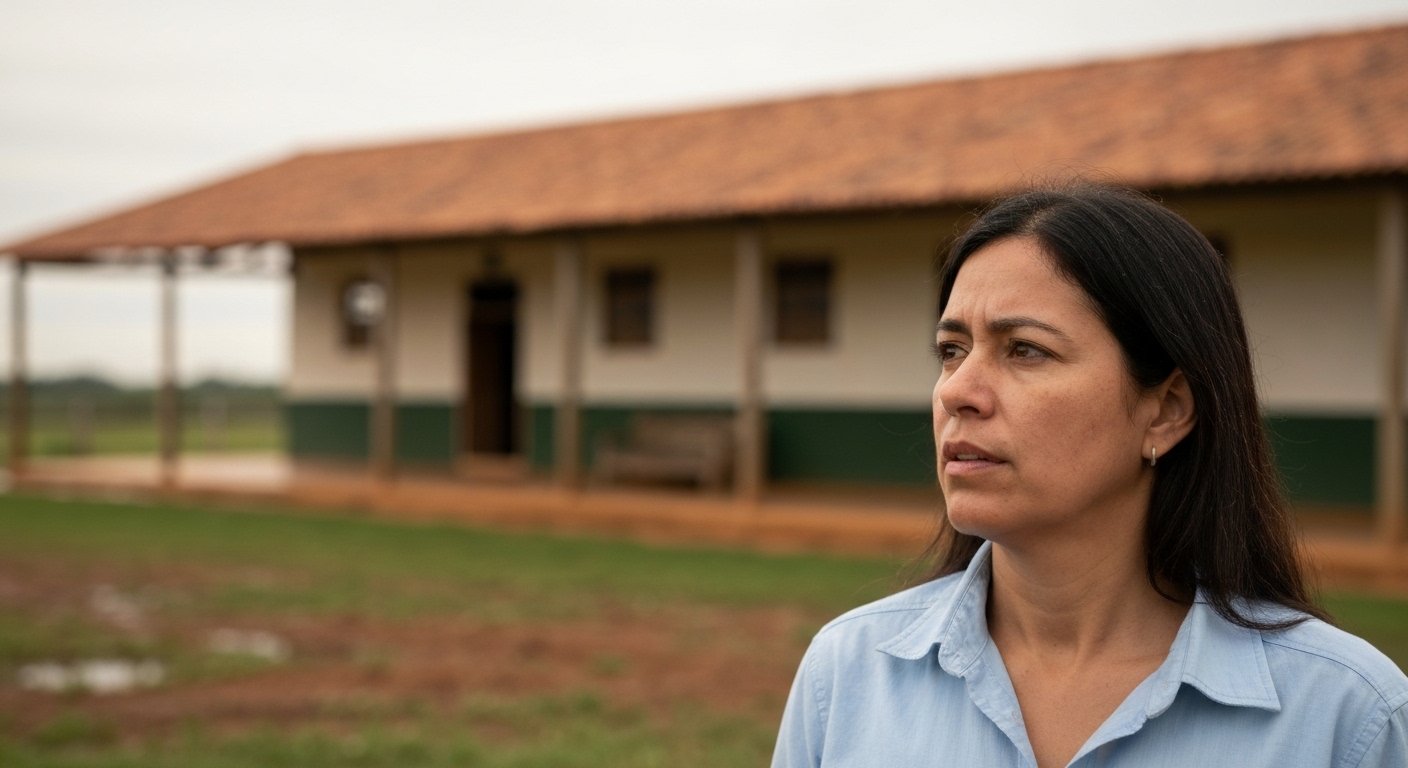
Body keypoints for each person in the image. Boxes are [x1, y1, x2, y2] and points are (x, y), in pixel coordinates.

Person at [771, 183, 1408, 767]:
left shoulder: (1347, 718)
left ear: (1166, 410)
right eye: (951, 350)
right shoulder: (849, 675)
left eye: (1026, 349)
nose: (957, 391)